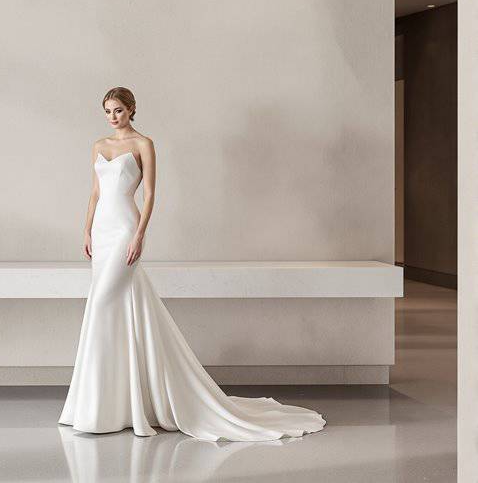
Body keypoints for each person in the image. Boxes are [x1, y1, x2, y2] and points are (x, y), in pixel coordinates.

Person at [58, 87, 326, 441]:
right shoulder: (98, 146)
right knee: (113, 306)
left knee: (104, 303)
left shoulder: (143, 144)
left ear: (131, 109)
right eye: (107, 111)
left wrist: (138, 235)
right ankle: (109, 405)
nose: (112, 117)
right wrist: (86, 230)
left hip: (124, 229)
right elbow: (95, 193)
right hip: (102, 232)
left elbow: (150, 194)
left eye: (118, 110)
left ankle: (109, 405)